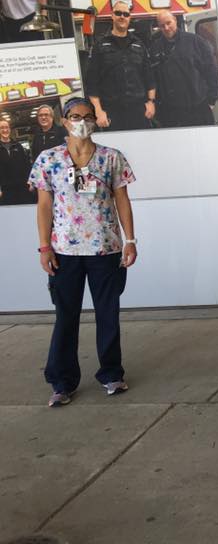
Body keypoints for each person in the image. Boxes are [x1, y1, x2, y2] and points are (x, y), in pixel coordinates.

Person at [28, 97, 137, 406]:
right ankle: (62, 381)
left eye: (87, 116)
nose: (81, 121)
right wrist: (44, 246)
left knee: (108, 314)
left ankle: (111, 373)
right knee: (66, 316)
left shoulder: (111, 158)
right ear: (65, 121)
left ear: (95, 120)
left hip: (105, 249)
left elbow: (122, 200)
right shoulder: (48, 160)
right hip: (64, 251)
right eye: (75, 116)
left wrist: (130, 240)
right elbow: (44, 206)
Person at [86, 2, 156, 131]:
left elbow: (149, 76)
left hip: (139, 111)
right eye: (118, 13)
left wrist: (151, 102)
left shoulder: (139, 44)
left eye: (126, 14)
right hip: (111, 112)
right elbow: (92, 81)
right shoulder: (100, 45)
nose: (122, 17)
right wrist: (98, 110)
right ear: (112, 15)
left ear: (130, 17)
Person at [150, 10, 218, 127]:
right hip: (170, 113)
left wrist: (211, 100)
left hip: (198, 109)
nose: (166, 28)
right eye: (162, 26)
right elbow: (154, 79)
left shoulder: (195, 41)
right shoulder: (155, 48)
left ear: (175, 20)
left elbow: (211, 70)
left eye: (169, 23)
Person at [0, 118, 35, 205]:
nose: (5, 130)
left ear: (10, 129)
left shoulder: (18, 146)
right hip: (5, 190)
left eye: (7, 127)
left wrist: (30, 181)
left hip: (22, 187)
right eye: (2, 128)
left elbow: (26, 164)